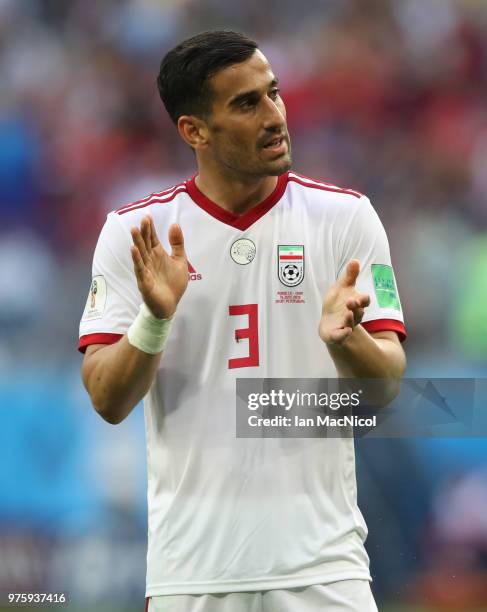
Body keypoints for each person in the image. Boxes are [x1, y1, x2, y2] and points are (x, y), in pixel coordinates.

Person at [79, 30, 406, 612]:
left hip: (325, 572)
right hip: (192, 577)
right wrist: (154, 320)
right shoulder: (137, 234)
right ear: (194, 130)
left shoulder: (345, 219)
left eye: (274, 93)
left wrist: (347, 341)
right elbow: (107, 399)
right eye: (247, 103)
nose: (276, 116)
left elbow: (384, 389)